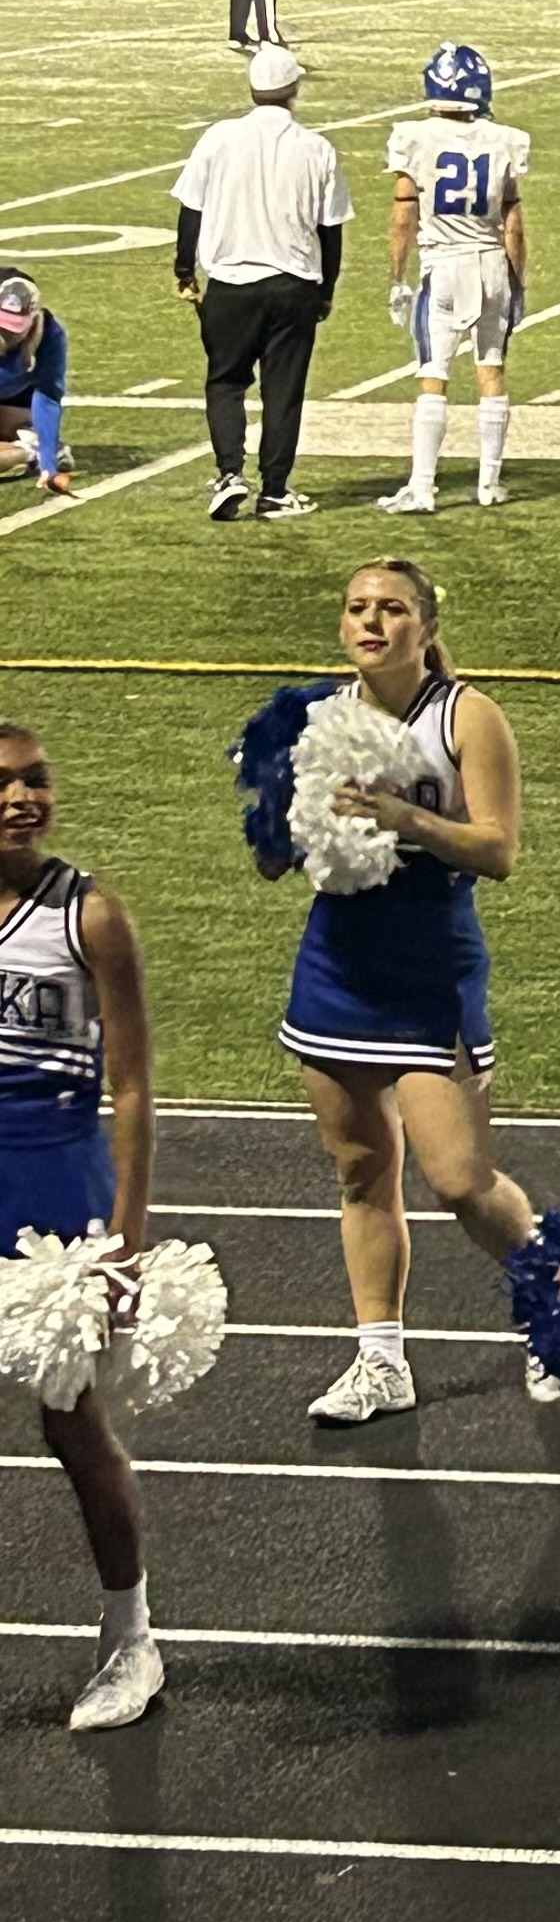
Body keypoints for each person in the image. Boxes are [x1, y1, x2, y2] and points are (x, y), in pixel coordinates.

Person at [271, 560, 538, 1423]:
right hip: (338, 961)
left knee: (460, 1178)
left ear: (426, 624)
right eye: (357, 608)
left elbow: (498, 851)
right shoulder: (315, 715)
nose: (372, 622)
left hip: (432, 965)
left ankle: (556, 1303)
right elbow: (277, 857)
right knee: (360, 1172)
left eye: (392, 609)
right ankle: (381, 1360)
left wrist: (407, 819)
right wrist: (281, 821)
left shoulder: (467, 715)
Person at [0, 725, 164, 1728]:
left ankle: (130, 1638)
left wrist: (126, 1238)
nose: (22, 798)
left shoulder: (88, 915)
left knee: (71, 1424)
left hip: (55, 1192)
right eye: (1, 783)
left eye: (35, 779)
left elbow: (136, 1086)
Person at [172, 45, 352, 525]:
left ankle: (229, 472)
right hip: (294, 284)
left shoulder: (218, 138)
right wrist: (326, 288)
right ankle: (274, 489)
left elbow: (191, 208)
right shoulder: (317, 148)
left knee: (225, 382)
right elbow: (330, 229)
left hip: (231, 282)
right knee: (283, 390)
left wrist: (184, 270)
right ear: (293, 90)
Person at [376, 46, 529, 517]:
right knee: (491, 368)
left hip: (443, 264)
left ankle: (423, 487)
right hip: (489, 262)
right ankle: (489, 482)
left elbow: (405, 215)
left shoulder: (414, 136)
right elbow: (514, 223)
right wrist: (517, 280)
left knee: (433, 374)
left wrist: (396, 277)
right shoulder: (504, 139)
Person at [0, 273, 72, 493]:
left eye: (14, 328)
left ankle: (32, 450)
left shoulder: (50, 336)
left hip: (16, 397)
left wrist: (48, 465)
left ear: (32, 318)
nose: (7, 334)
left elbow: (48, 397)